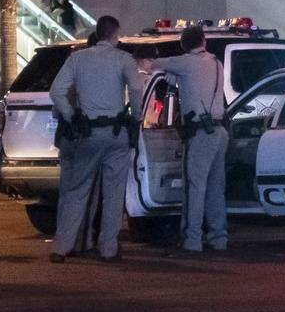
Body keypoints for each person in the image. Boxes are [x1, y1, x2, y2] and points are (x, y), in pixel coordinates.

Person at [48, 15, 144, 263]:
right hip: (116, 134)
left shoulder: (77, 58)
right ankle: (108, 248)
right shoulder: (123, 59)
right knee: (113, 193)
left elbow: (56, 92)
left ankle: (61, 247)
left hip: (87, 133)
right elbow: (135, 88)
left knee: (76, 191)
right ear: (115, 35)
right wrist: (137, 115)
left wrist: (70, 116)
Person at [154, 23, 228, 253]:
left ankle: (192, 240)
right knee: (216, 188)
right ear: (203, 41)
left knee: (194, 187)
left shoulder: (185, 62)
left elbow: (156, 64)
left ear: (184, 45)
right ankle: (218, 238)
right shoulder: (216, 63)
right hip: (219, 132)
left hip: (199, 134)